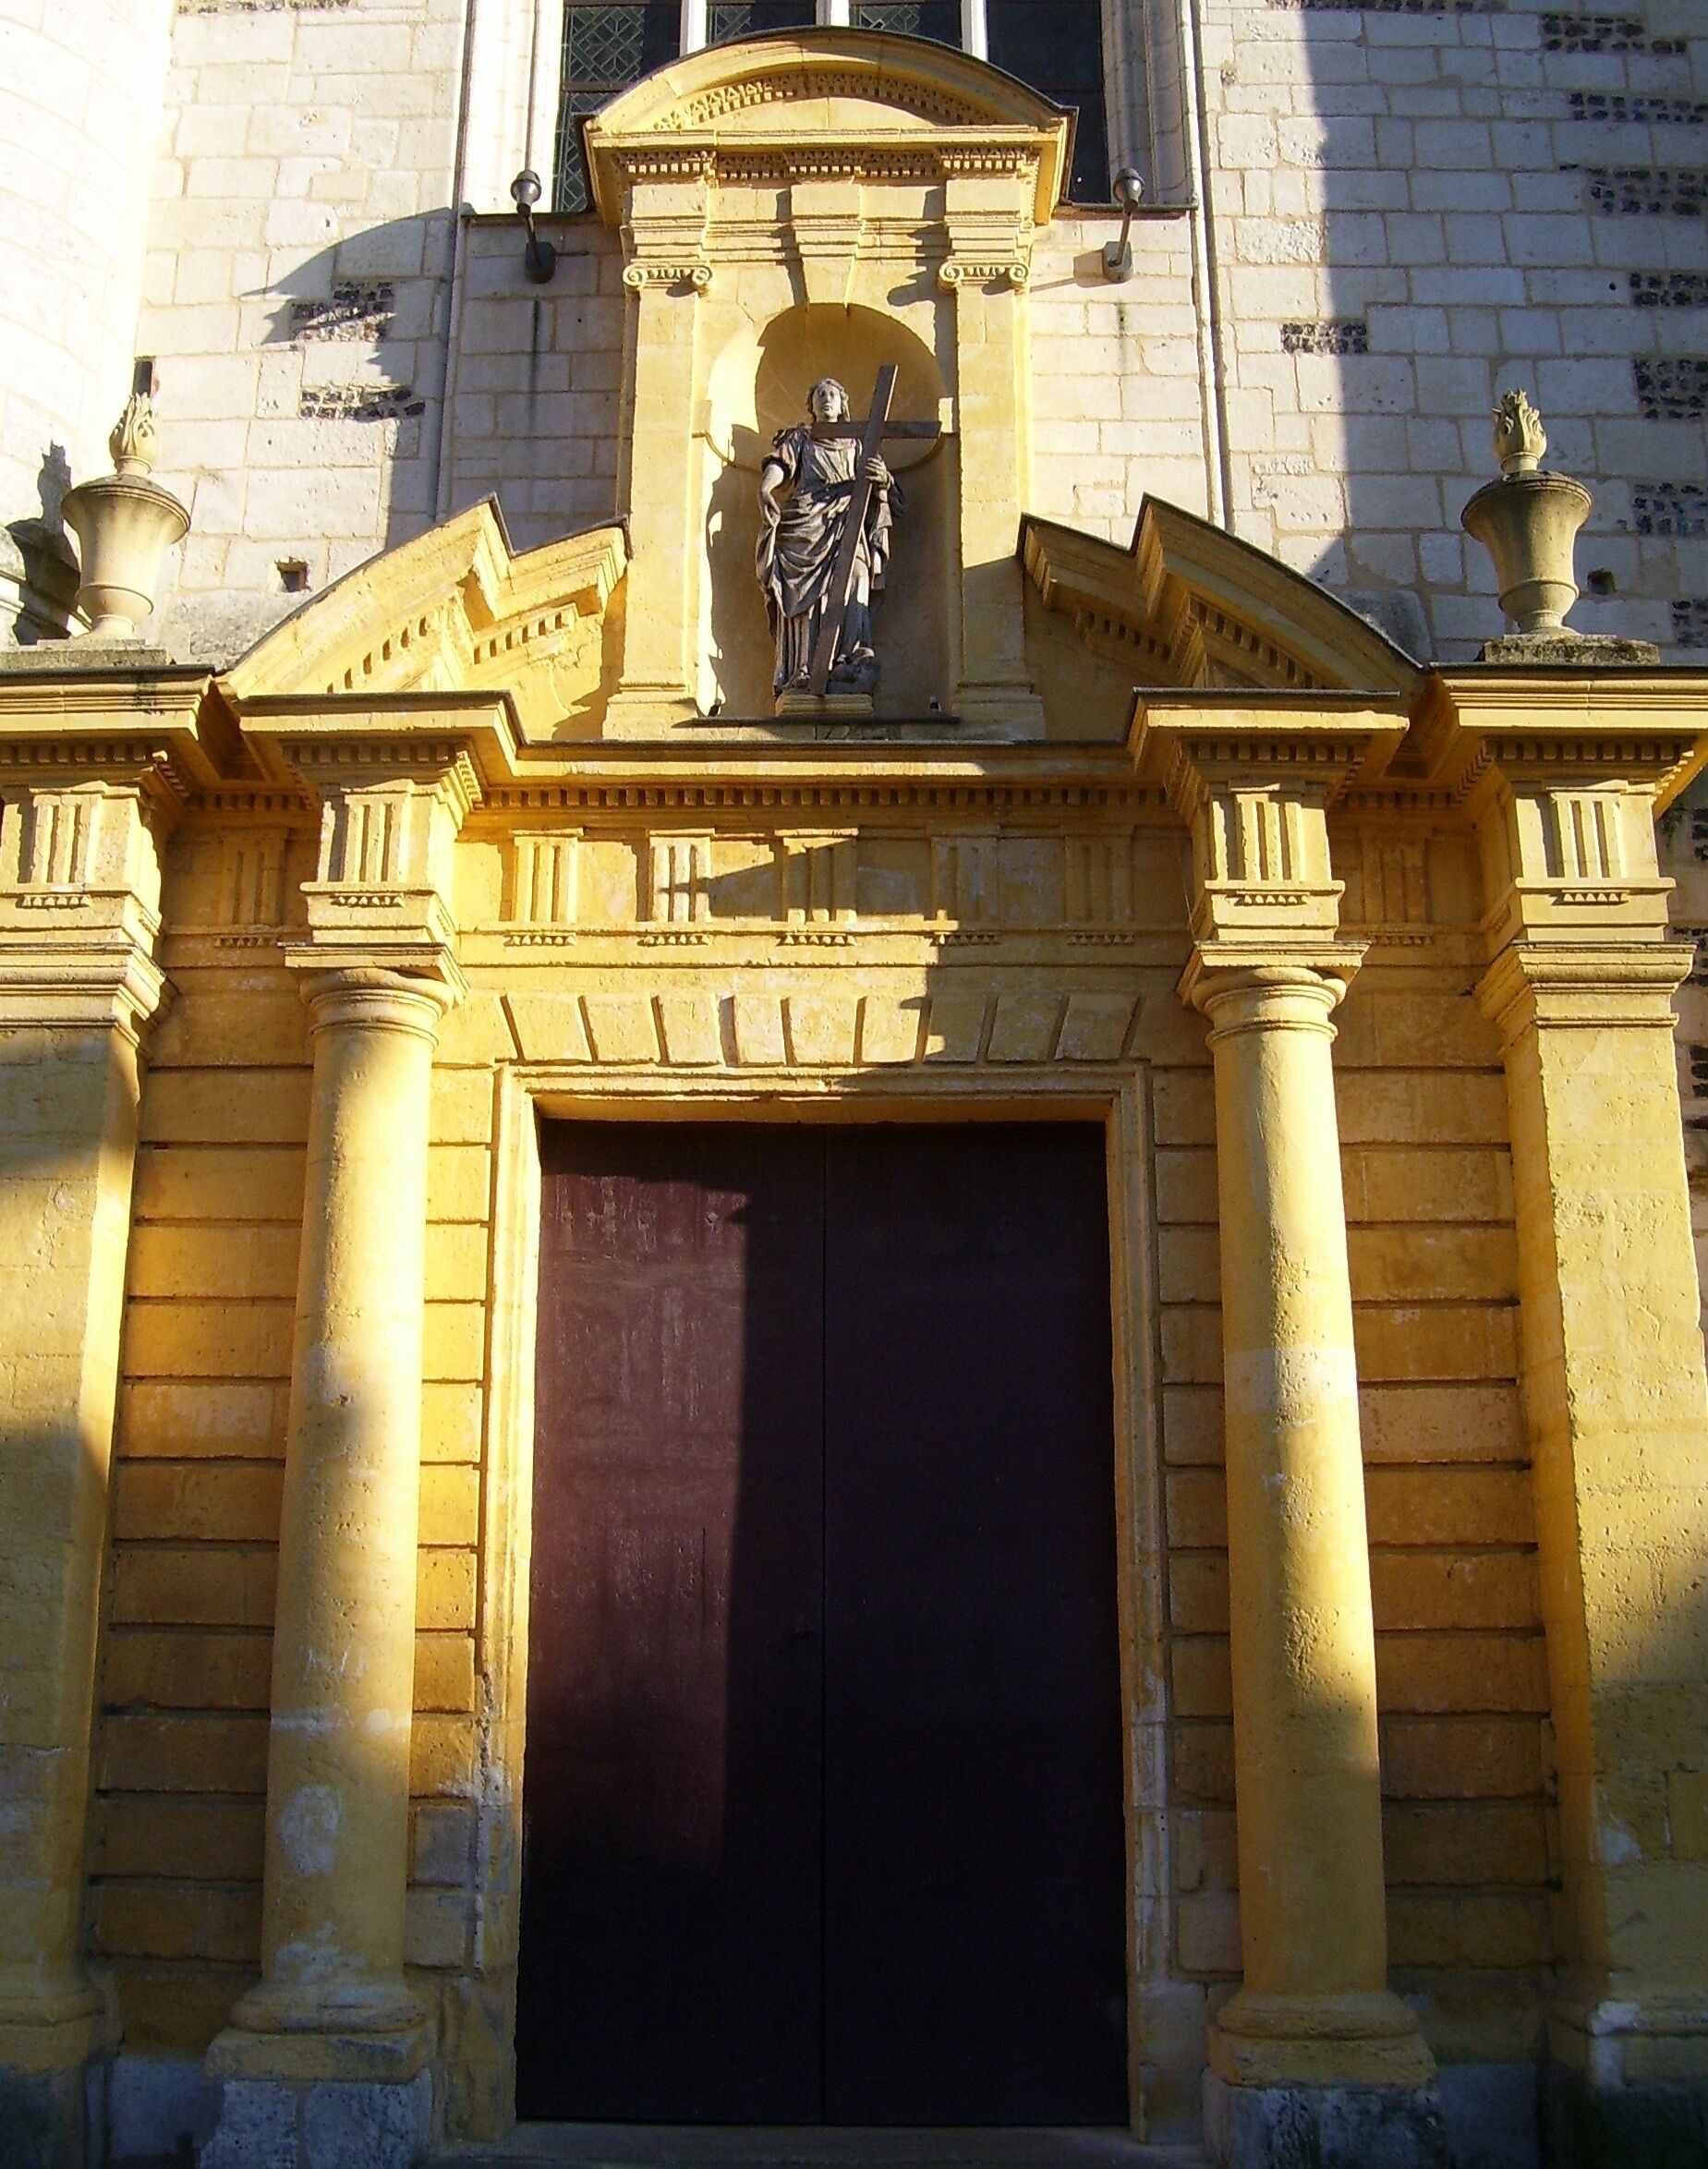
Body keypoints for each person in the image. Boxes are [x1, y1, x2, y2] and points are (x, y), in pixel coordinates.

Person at [756, 377, 897, 697]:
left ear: (843, 402)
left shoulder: (860, 443)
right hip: (805, 529)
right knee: (805, 600)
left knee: (857, 576)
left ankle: (847, 656)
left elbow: (882, 487)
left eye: (832, 393)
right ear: (811, 405)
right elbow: (780, 464)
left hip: (847, 525)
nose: (826, 398)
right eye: (819, 393)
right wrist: (766, 487)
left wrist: (883, 480)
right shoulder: (801, 439)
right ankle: (803, 667)